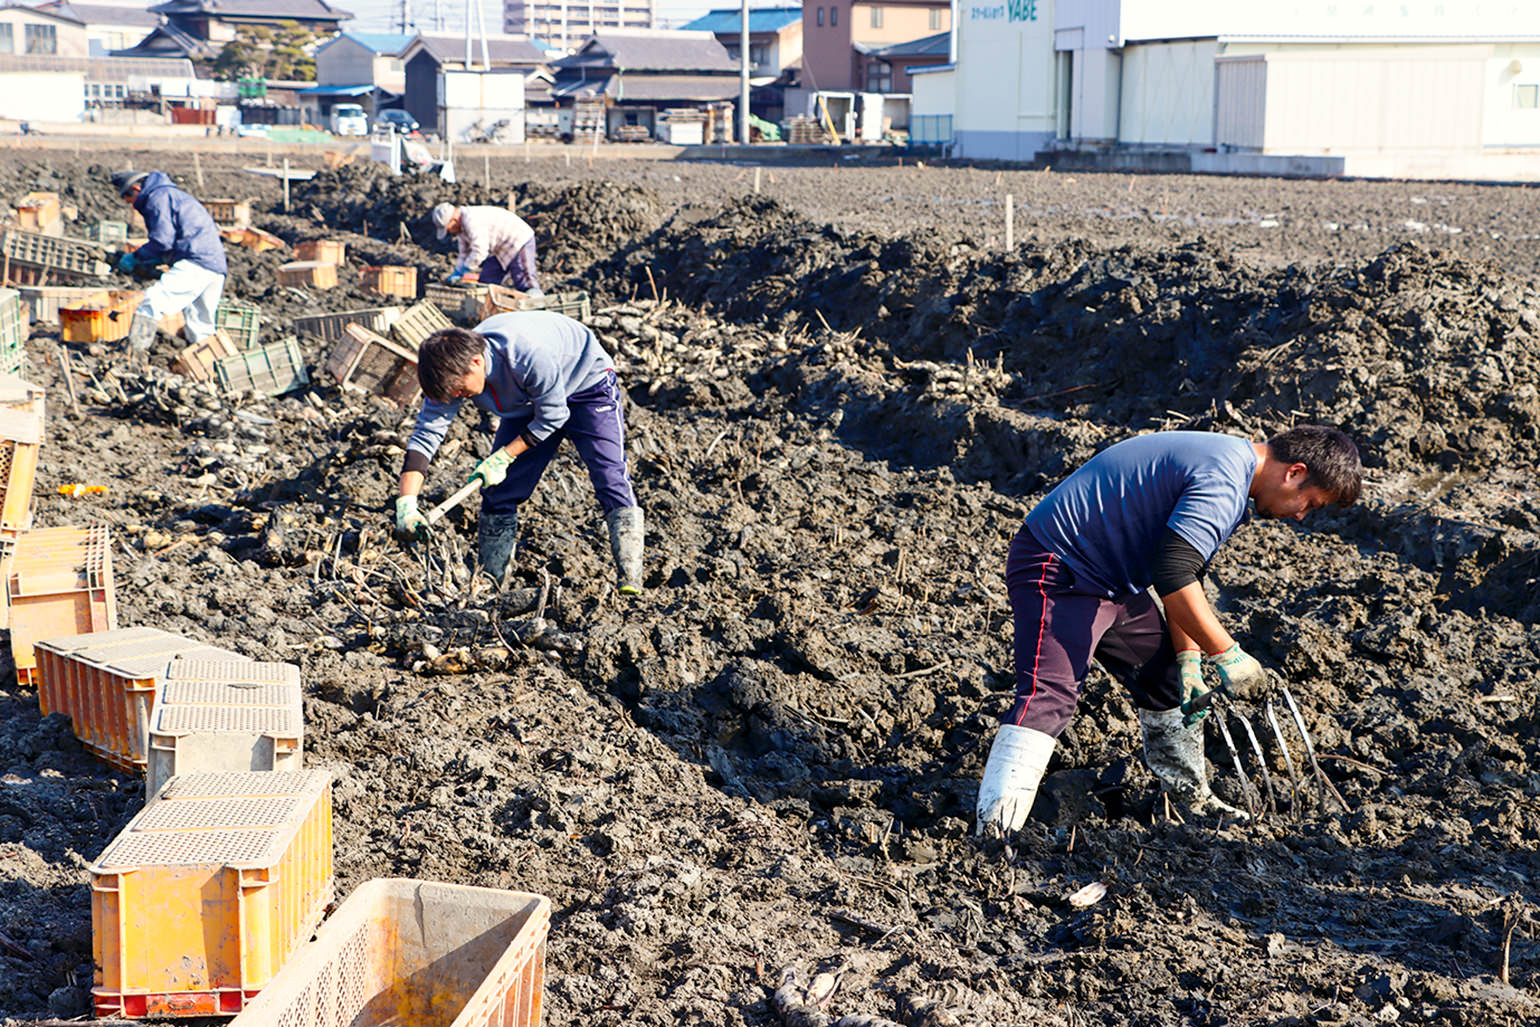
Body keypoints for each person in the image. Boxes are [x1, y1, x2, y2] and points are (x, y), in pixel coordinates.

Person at [975, 426, 1362, 835]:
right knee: (1050, 695)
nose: (1301, 515)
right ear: (1294, 473)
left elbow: (1185, 575)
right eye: (1310, 503)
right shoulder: (1223, 478)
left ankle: (1188, 797)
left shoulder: (1230, 470)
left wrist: (1189, 661)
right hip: (1061, 567)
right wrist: (1228, 653)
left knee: (1164, 681)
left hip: (1113, 579)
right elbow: (1174, 574)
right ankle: (995, 833)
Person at [393, 311, 644, 593]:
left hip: (586, 385)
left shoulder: (527, 355)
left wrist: (503, 457)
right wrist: (407, 503)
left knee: (609, 476)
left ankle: (630, 578)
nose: (456, 397)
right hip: (527, 401)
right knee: (499, 491)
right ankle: (490, 583)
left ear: (476, 363)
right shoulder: (448, 374)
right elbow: (426, 436)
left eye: (460, 391)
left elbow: (553, 417)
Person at [110, 171, 228, 364]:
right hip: (215, 266)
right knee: (201, 325)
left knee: (152, 301)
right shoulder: (172, 195)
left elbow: (162, 241)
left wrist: (136, 257)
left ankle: (133, 358)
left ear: (136, 189)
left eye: (129, 199)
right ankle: (210, 371)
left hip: (196, 262)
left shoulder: (158, 197)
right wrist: (152, 260)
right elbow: (171, 242)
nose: (131, 205)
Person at [432, 202, 542, 296]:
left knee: (524, 282)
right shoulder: (460, 230)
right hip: (499, 249)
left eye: (448, 229)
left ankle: (539, 309)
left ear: (454, 220)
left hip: (517, 240)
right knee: (487, 282)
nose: (449, 232)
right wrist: (457, 272)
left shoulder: (471, 220)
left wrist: (466, 268)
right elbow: (464, 254)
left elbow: (480, 251)